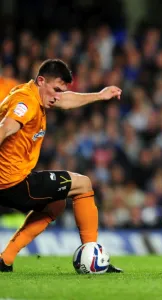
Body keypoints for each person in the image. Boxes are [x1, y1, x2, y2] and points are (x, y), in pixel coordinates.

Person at [0, 59, 123, 273]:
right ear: (41, 81)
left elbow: (65, 100)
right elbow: (5, 128)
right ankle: (92, 257)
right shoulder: (26, 102)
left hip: (11, 181)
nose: (58, 96)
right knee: (83, 184)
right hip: (14, 182)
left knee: (56, 205)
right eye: (55, 89)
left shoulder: (33, 93)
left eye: (61, 91)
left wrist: (100, 95)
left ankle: (5, 260)